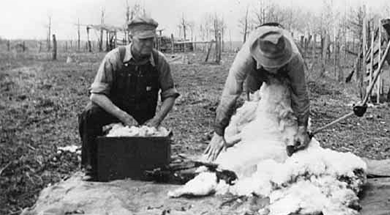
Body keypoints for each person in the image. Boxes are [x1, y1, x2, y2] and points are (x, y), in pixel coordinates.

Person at [78, 16, 179, 180]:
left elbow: (169, 94)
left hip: (142, 115)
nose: (148, 44)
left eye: (151, 40)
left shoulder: (159, 61)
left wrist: (157, 119)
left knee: (144, 167)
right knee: (89, 114)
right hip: (115, 111)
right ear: (131, 37)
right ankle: (92, 168)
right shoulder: (114, 58)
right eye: (143, 40)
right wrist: (122, 116)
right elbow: (96, 95)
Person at [204, 22, 310, 161]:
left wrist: (302, 127)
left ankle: (283, 139)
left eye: (277, 63)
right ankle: (248, 138)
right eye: (270, 64)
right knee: (254, 102)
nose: (274, 68)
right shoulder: (245, 57)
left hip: (285, 74)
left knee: (285, 108)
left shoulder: (294, 58)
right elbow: (231, 92)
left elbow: (300, 93)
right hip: (256, 71)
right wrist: (219, 131)